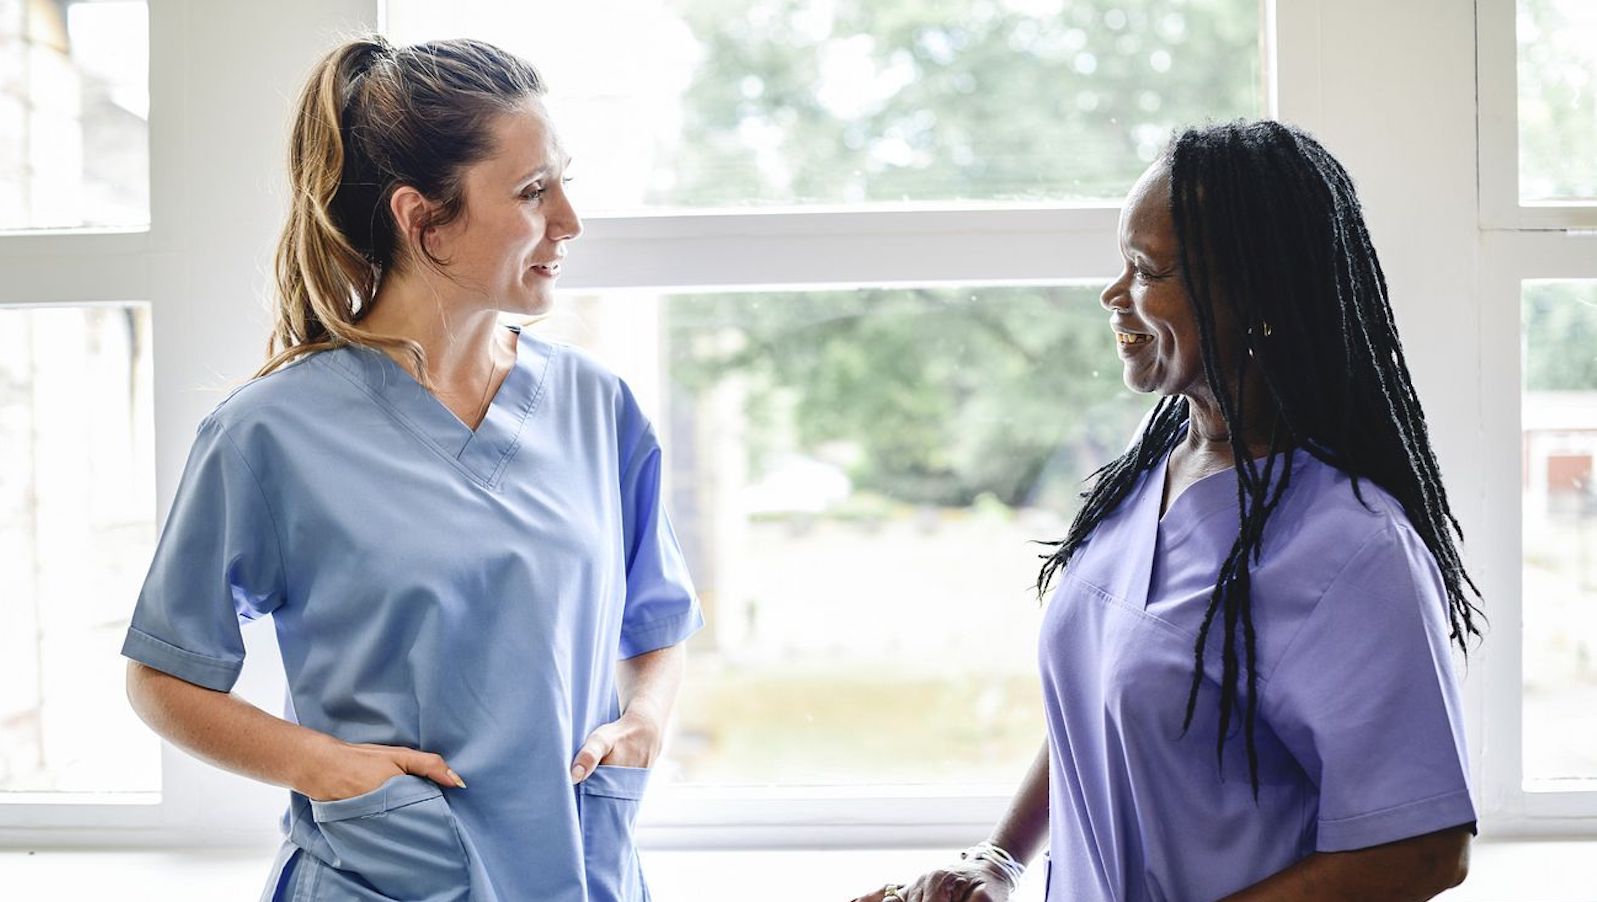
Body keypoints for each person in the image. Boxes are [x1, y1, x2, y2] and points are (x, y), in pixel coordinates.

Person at [121, 35, 701, 902]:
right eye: (534, 191)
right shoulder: (270, 434)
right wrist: (328, 768)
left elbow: (656, 626)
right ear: (421, 218)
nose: (569, 222)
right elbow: (162, 675)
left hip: (585, 875)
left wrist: (645, 724)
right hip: (387, 879)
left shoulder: (596, 406)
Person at [852, 120, 1480, 902]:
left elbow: (1419, 852)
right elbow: (1119, 708)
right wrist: (999, 857)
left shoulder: (1351, 549)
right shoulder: (1152, 470)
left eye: (1146, 270)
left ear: (1254, 299)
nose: (1113, 294)